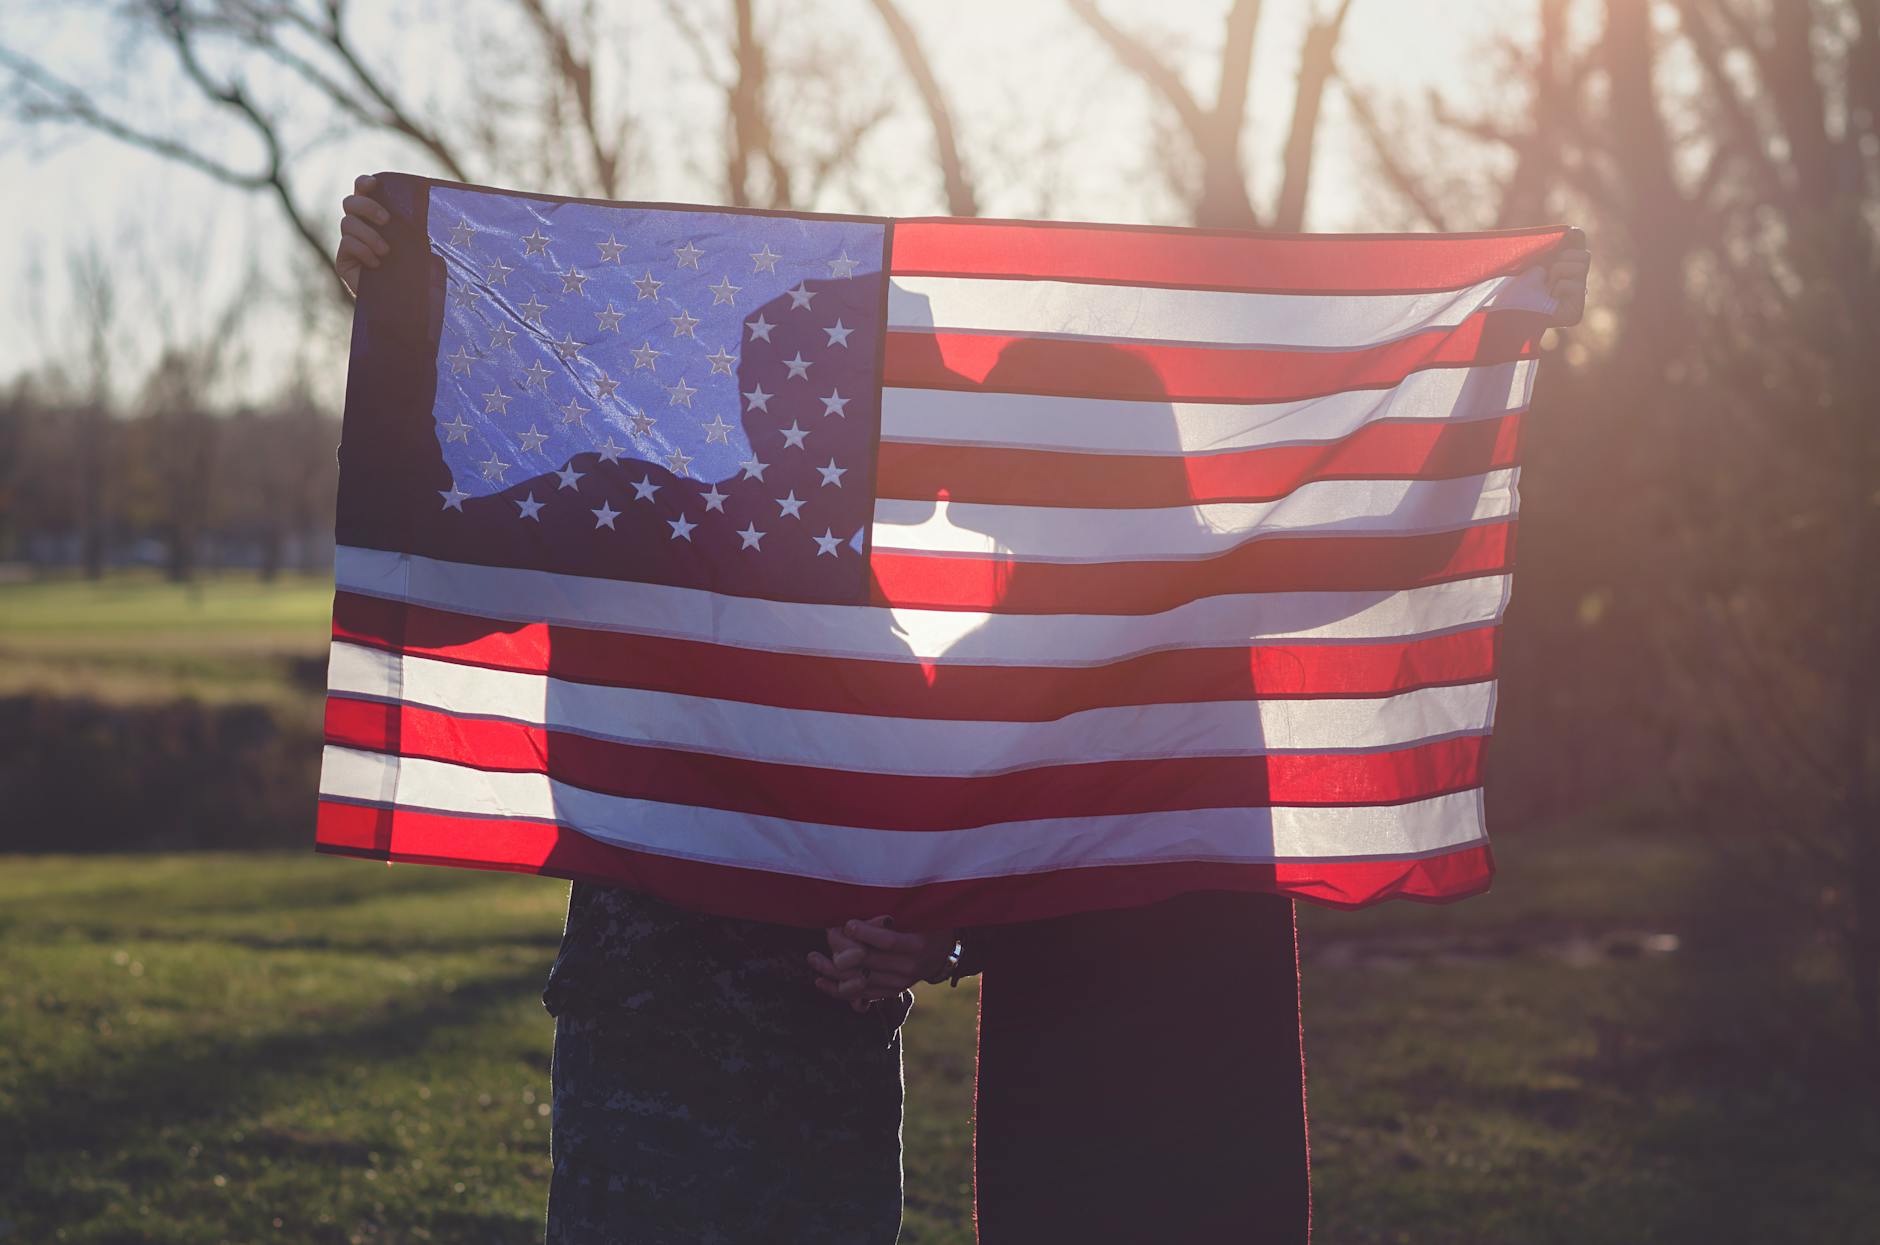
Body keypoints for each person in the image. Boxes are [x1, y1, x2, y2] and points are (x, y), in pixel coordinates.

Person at [812, 230, 1593, 1243]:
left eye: (1015, 443)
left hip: (1186, 1040)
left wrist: (1507, 331)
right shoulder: (998, 653)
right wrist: (920, 943)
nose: (974, 483)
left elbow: (1414, 539)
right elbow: (991, 870)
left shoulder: (1195, 595)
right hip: (1081, 1054)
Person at [336, 175, 916, 1245]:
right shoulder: (625, 516)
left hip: (827, 1072)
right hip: (650, 1058)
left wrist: (923, 941)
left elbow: (972, 838)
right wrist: (399, 310)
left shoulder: (935, 620)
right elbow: (418, 584)